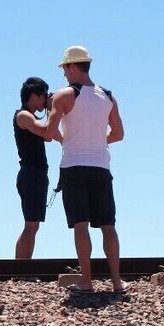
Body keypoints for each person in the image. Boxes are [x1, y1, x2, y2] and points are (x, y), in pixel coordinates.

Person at [46, 46, 126, 294]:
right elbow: (119, 134)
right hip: (101, 166)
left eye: (64, 69)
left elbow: (50, 131)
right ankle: (116, 282)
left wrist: (65, 139)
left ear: (72, 67)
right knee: (108, 226)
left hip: (73, 166)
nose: (64, 74)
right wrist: (98, 140)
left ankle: (87, 281)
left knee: (80, 225)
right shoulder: (108, 96)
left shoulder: (62, 96)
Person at [13, 77, 52, 259]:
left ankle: (24, 268)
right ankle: (21, 268)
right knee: (30, 224)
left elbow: (48, 136)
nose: (46, 100)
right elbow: (47, 132)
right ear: (35, 96)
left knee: (33, 224)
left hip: (36, 174)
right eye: (44, 96)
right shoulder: (23, 116)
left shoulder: (31, 116)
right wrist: (53, 110)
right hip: (31, 174)